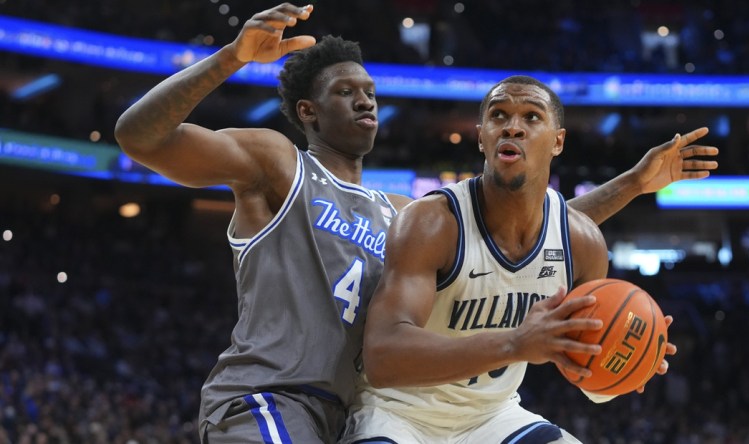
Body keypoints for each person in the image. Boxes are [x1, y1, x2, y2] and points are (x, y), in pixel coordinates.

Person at [114, 3, 718, 443]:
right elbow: (140, 138)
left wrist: (634, 185)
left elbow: (525, 233)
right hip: (274, 394)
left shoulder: (399, 215)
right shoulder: (279, 165)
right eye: (347, 92)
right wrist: (229, 60)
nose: (366, 101)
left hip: (346, 411)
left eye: (370, 91)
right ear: (307, 112)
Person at [339, 76, 681, 444]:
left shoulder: (581, 243)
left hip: (491, 417)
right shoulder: (432, 222)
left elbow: (591, 376)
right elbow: (383, 357)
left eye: (532, 117)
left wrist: (636, 359)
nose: (513, 127)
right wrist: (515, 343)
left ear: (558, 141)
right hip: (398, 412)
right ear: (482, 137)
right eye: (499, 116)